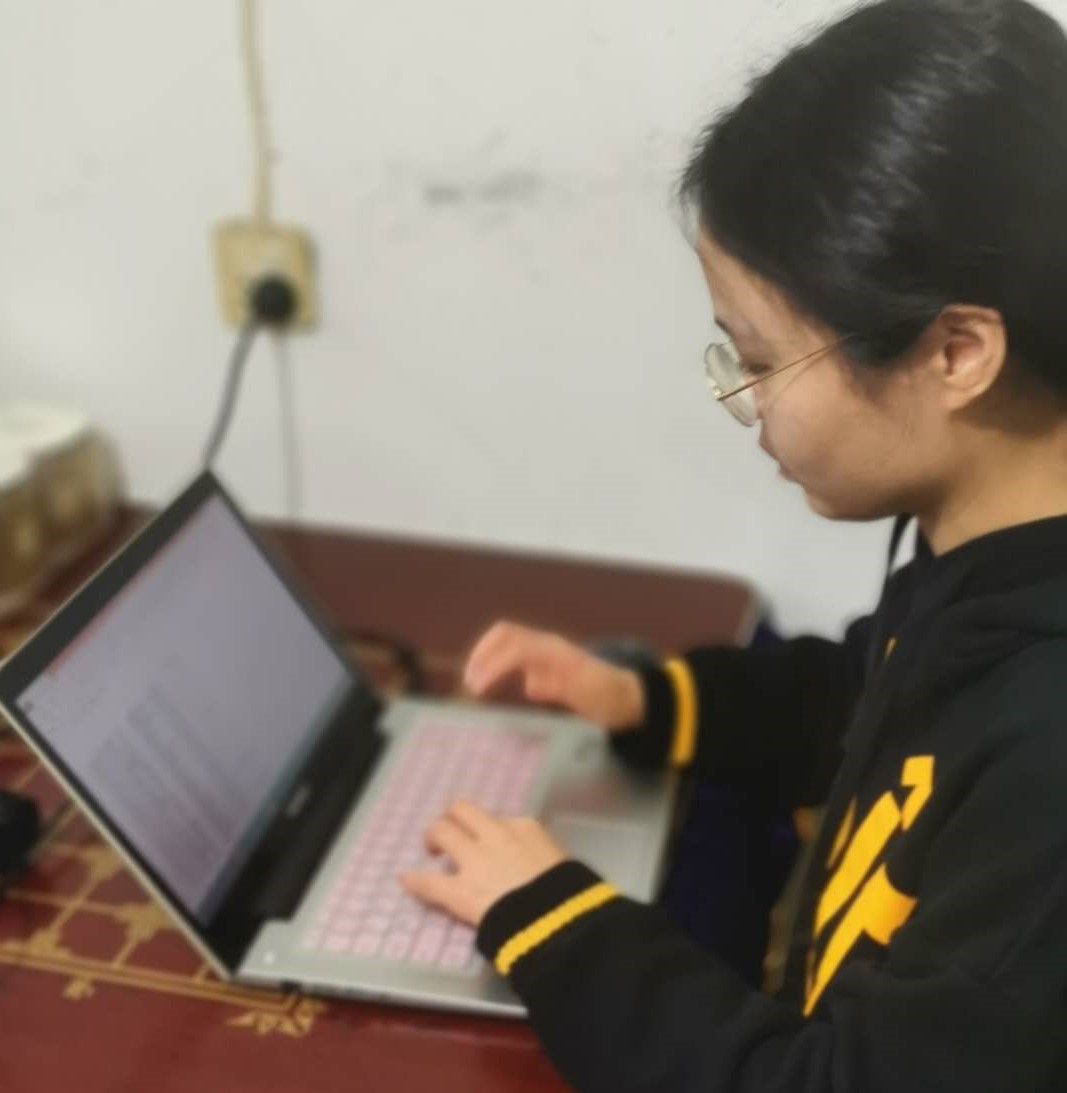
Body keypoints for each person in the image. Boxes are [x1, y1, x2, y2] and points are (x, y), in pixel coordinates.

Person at [399, 1, 1067, 1088]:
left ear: (955, 352)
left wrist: (554, 924)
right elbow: (869, 701)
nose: (744, 399)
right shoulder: (992, 554)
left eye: (758, 359)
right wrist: (645, 700)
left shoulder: (1044, 764)